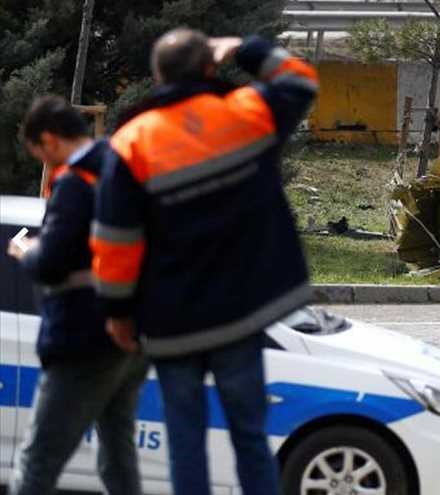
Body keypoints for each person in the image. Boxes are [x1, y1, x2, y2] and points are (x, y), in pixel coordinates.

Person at [90, 29, 318, 495]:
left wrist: (117, 312)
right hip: (240, 314)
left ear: (158, 75)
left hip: (172, 325)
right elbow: (299, 80)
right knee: (251, 437)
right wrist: (244, 48)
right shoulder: (247, 115)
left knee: (185, 442)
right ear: (211, 67)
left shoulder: (133, 142)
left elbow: (116, 240)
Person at [6, 96, 148, 495]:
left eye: (39, 154)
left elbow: (52, 264)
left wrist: (26, 251)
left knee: (38, 459)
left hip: (83, 336)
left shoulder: (75, 182)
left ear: (48, 140)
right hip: (133, 332)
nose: (45, 164)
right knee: (118, 453)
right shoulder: (123, 169)